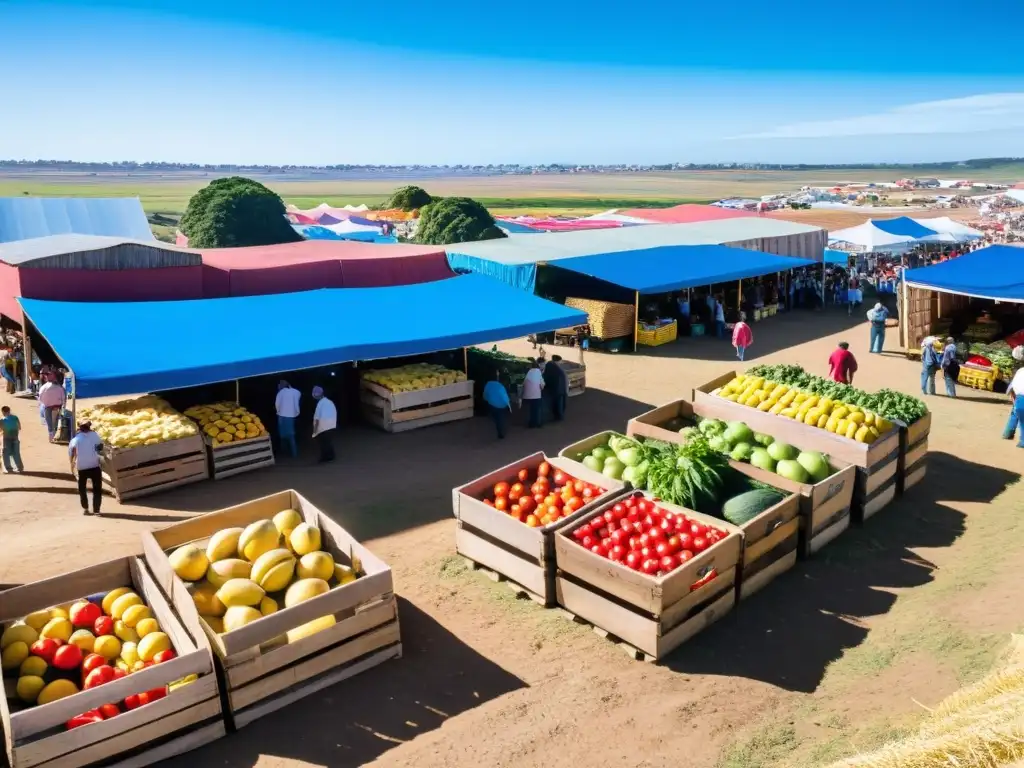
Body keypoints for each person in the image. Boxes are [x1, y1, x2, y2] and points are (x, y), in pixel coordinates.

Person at [69, 420, 103, 515]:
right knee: (97, 489)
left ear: (79, 428)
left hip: (82, 467)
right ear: (89, 427)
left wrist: (71, 465)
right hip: (94, 465)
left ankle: (86, 508)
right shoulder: (95, 435)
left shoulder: (76, 439)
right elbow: (100, 447)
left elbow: (71, 451)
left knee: (82, 489)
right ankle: (96, 510)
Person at [1002, 347, 1024, 447]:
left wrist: (1012, 396)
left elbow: (1011, 386)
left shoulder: (1019, 370)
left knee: (1015, 413)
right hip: (1019, 398)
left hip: (1018, 398)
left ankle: (1007, 434)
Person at [274, 380, 301, 458]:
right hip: (291, 415)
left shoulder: (280, 393)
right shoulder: (294, 392)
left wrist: (278, 411)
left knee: (283, 435)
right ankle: (294, 453)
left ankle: (284, 452)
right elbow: (298, 393)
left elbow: (277, 404)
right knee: (291, 434)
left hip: (282, 415)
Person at [481, 371, 511, 439]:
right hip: (501, 405)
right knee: (500, 418)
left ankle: (499, 429)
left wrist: (486, 400)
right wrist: (509, 405)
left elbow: (485, 395)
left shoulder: (488, 384)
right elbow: (505, 396)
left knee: (496, 417)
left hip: (492, 404)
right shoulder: (500, 385)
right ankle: (501, 431)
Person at [311, 386, 336, 463]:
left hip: (323, 426)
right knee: (328, 441)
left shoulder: (320, 404)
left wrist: (314, 431)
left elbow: (317, 418)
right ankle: (331, 456)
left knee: (323, 443)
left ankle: (325, 457)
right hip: (331, 425)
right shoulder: (329, 402)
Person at [38, 375, 66, 442]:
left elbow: (40, 397)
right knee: (58, 420)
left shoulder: (44, 387)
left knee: (49, 421)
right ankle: (56, 434)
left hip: (48, 407)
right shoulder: (60, 388)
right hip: (58, 406)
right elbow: (64, 398)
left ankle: (51, 434)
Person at [543, 355, 569, 421]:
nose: (560, 362)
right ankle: (559, 416)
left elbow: (546, 376)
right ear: (557, 361)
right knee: (560, 404)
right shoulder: (559, 369)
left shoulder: (550, 365)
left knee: (556, 404)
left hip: (556, 389)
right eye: (560, 361)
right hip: (560, 389)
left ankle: (558, 416)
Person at [521, 359, 545, 428]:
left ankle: (531, 424)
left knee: (530, 410)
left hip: (527, 395)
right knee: (537, 410)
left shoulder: (526, 372)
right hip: (536, 395)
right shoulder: (538, 372)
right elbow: (542, 384)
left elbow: (523, 383)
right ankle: (538, 423)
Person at [1, 405, 23, 473]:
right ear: (9, 411)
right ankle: (19, 468)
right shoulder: (15, 418)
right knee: (16, 453)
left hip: (6, 438)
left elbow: (1, 429)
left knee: (5, 453)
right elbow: (19, 427)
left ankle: (8, 468)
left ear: (3, 412)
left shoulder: (2, 420)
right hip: (15, 437)